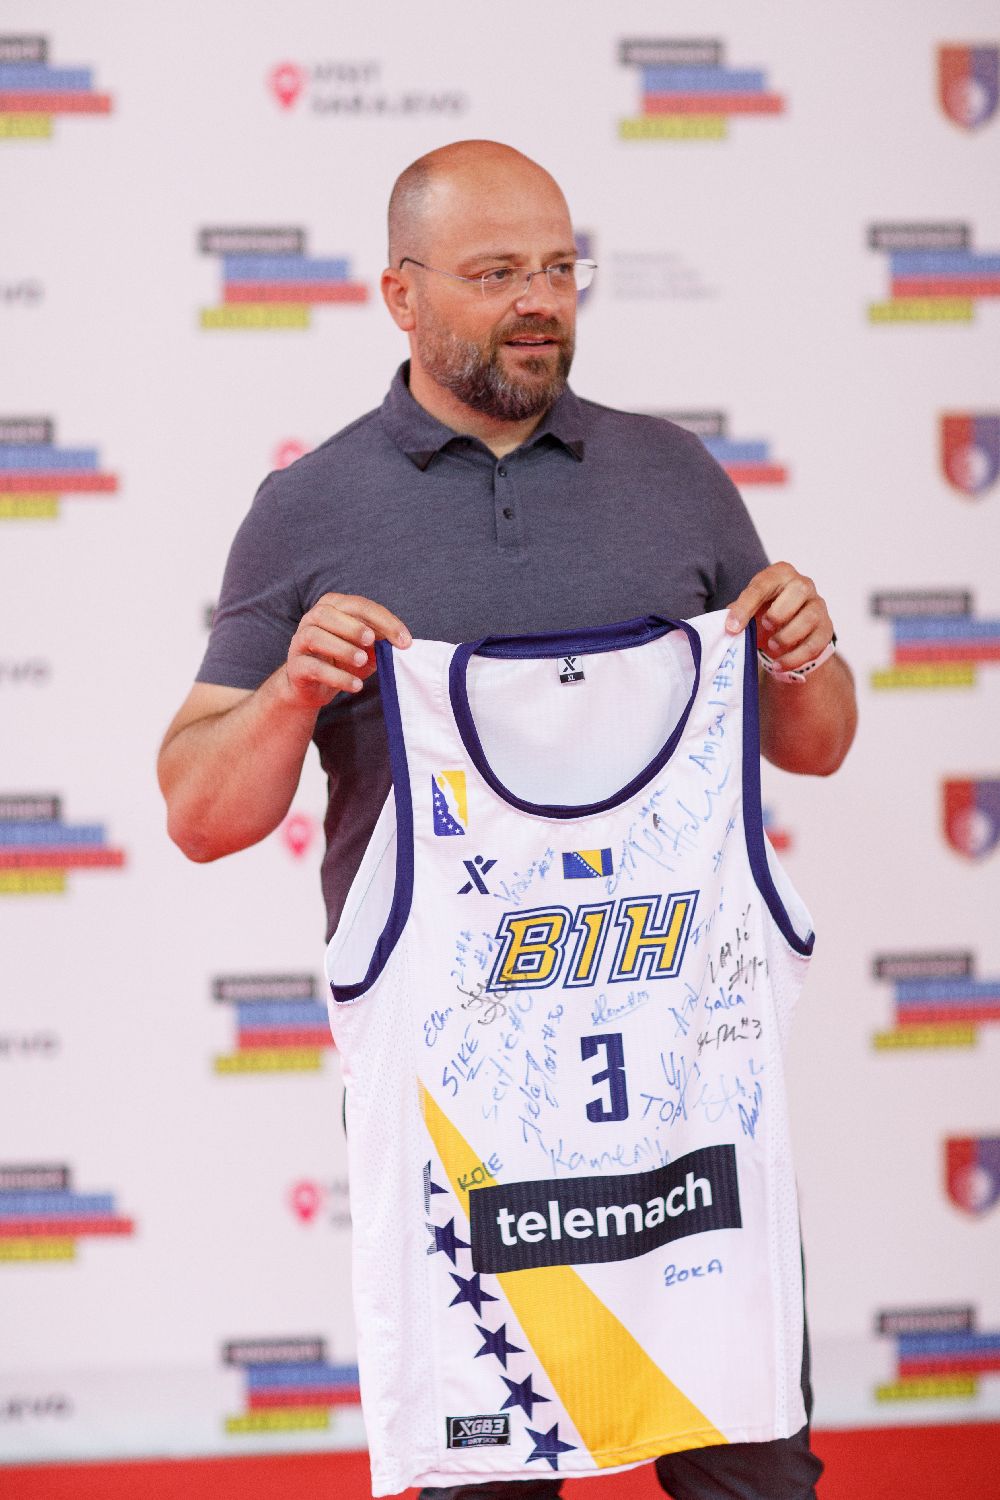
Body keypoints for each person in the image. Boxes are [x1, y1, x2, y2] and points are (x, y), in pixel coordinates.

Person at [158, 140, 857, 1500]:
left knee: (757, 1479)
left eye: (558, 267)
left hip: (684, 1106)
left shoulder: (673, 473)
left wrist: (803, 649)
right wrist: (293, 691)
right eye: (495, 274)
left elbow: (817, 743)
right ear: (400, 294)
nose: (539, 299)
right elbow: (197, 808)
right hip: (465, 1115)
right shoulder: (308, 508)